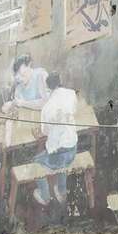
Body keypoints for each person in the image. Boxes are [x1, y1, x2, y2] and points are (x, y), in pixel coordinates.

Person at [34, 72, 79, 205]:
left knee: (36, 162)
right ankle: (62, 190)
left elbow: (45, 132)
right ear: (60, 81)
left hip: (58, 155)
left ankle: (45, 196)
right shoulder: (71, 94)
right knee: (62, 152)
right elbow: (74, 111)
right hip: (72, 148)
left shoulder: (47, 108)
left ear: (48, 89)